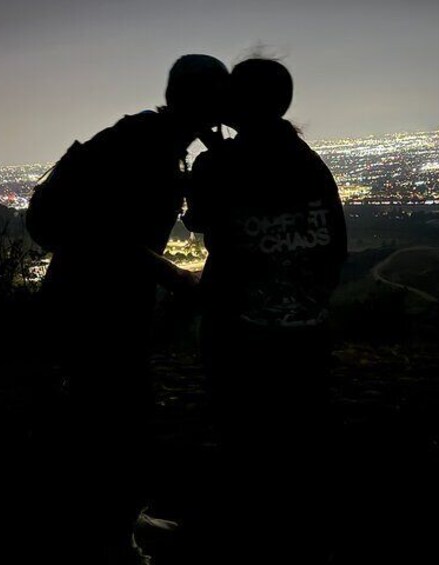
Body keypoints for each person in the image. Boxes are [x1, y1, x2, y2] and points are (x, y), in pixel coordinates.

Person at [28, 54, 229, 564]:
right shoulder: (149, 149)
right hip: (95, 301)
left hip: (98, 296)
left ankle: (118, 516)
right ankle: (110, 539)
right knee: (115, 413)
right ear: (207, 102)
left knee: (113, 409)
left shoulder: (153, 138)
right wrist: (180, 279)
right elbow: (110, 237)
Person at [183, 58, 348, 565]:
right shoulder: (308, 160)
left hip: (241, 326)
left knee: (244, 434)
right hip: (307, 323)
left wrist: (209, 160)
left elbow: (198, 221)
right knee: (299, 434)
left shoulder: (220, 164)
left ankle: (245, 540)